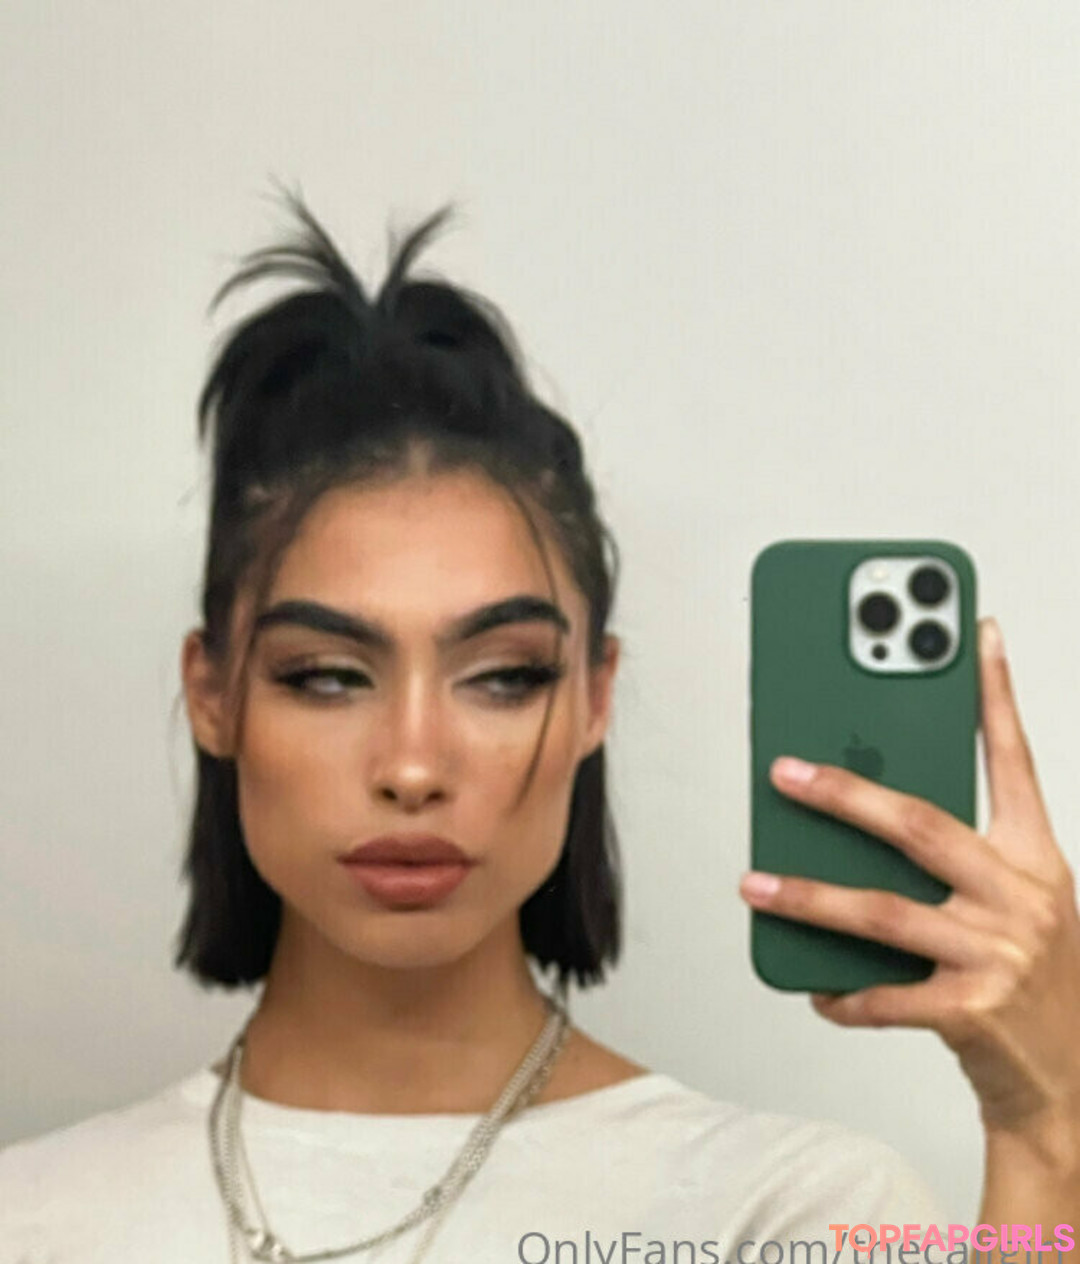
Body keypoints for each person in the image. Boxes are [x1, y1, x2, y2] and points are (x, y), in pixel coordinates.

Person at [1, 186, 1077, 1264]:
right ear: (213, 694)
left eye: (504, 677)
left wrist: (1048, 1130)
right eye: (327, 677)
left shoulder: (790, 1211)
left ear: (594, 697)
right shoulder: (35, 1217)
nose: (412, 765)